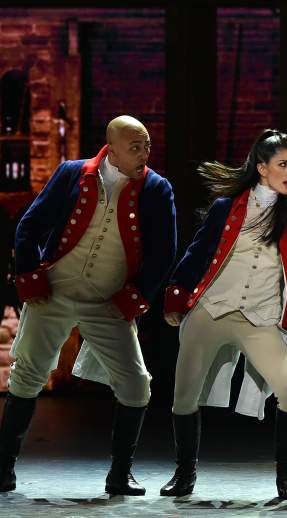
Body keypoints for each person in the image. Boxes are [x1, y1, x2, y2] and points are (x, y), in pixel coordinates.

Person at [0, 115, 177, 495]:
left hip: (107, 301)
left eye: (146, 145)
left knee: (135, 385)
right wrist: (30, 279)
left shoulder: (157, 189)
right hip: (55, 293)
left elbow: (165, 252)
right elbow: (28, 226)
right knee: (27, 376)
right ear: (110, 149)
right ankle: (3, 467)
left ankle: (120, 474)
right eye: (135, 146)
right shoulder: (71, 173)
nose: (144, 153)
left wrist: (136, 297)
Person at [160, 130, 287, 500]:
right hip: (212, 311)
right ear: (262, 168)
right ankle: (184, 473)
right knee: (183, 395)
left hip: (261, 319)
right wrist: (177, 296)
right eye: (282, 164)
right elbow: (197, 253)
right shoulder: (228, 207)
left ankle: (286, 478)